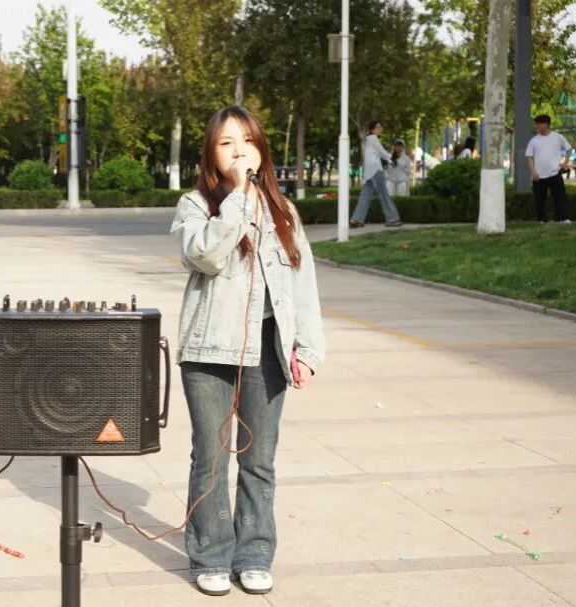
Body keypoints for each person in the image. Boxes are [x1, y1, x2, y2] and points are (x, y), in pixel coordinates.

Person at [170, 106, 327, 598]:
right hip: (208, 351)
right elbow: (205, 256)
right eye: (227, 143)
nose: (239, 151)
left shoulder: (283, 209)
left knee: (260, 459)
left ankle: (254, 554)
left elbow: (303, 282)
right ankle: (211, 556)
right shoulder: (195, 205)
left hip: (269, 349)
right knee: (211, 458)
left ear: (262, 149)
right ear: (211, 155)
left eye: (248, 141)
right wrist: (237, 197)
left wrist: (307, 349)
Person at [349, 121, 402, 228]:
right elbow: (382, 152)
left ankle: (356, 219)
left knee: (365, 195)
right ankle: (393, 219)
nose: (381, 128)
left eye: (381, 127)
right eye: (378, 127)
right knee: (384, 194)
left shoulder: (367, 140)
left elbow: (378, 153)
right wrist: (392, 160)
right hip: (376, 171)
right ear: (372, 129)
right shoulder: (373, 139)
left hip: (369, 172)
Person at [526, 114, 573, 223]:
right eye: (536, 124)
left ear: (546, 124)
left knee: (560, 198)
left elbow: (569, 149)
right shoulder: (534, 141)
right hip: (538, 175)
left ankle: (563, 218)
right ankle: (542, 220)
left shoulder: (558, 137)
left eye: (538, 124)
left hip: (555, 173)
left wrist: (565, 162)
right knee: (539, 199)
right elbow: (530, 158)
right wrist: (533, 172)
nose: (536, 126)